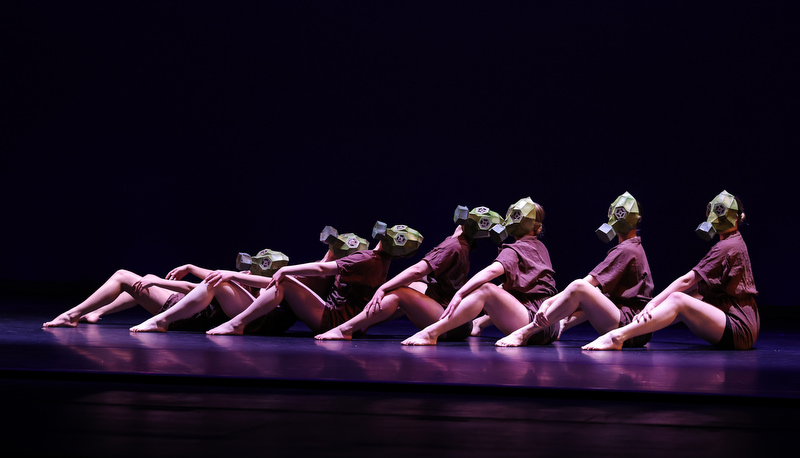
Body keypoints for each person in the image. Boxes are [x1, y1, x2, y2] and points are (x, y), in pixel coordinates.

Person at [130, 223, 423, 336]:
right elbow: (322, 269)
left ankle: (236, 324)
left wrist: (286, 271)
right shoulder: (376, 262)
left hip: (329, 319)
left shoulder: (364, 259)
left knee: (282, 282)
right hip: (337, 315)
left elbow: (321, 271)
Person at [583, 190, 758, 351]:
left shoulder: (727, 246)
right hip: (744, 321)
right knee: (689, 297)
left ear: (735, 218)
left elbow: (687, 281)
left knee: (677, 299)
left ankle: (618, 336)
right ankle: (639, 331)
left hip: (739, 327)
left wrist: (652, 303)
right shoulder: (734, 241)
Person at [314, 206, 502, 341]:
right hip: (460, 323)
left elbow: (417, 270)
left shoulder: (452, 245)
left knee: (398, 293)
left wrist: (383, 288)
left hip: (451, 327)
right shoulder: (462, 245)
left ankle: (345, 329)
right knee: (410, 286)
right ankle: (365, 323)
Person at [496, 192, 654, 347]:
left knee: (580, 287)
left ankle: (525, 332)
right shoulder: (633, 246)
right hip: (638, 329)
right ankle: (561, 326)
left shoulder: (626, 250)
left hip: (630, 326)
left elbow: (586, 283)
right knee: (597, 293)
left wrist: (548, 303)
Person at [401, 197, 558, 346]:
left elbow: (490, 272)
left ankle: (431, 333)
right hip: (551, 322)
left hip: (535, 325)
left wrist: (460, 294)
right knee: (501, 289)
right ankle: (478, 324)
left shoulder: (514, 249)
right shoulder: (540, 247)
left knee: (486, 289)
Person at [42, 263, 229, 330]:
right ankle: (96, 311)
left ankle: (71, 316)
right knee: (140, 285)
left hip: (191, 314)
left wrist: (158, 281)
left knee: (123, 276)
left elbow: (195, 288)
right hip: (199, 312)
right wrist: (190, 268)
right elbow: (212, 279)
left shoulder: (242, 279)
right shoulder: (245, 281)